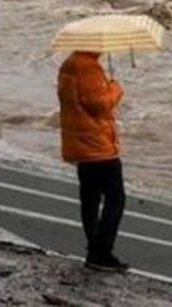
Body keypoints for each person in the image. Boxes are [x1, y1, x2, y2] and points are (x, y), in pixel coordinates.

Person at [57, 50, 128, 272]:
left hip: (80, 144)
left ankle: (94, 250)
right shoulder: (88, 68)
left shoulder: (68, 64)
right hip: (98, 146)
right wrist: (115, 89)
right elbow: (99, 105)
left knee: (90, 198)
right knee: (115, 198)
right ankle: (101, 252)